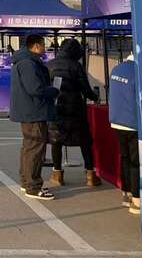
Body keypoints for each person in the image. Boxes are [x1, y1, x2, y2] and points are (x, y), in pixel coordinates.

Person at [10, 34, 60, 200]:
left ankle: (27, 182)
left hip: (30, 111)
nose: (45, 48)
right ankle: (33, 186)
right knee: (35, 149)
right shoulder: (28, 63)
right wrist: (53, 91)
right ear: (36, 46)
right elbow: (35, 88)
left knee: (30, 148)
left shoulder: (24, 61)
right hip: (34, 111)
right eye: (43, 45)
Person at [46, 38, 101, 187]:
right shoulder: (76, 66)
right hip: (75, 108)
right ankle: (90, 175)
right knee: (84, 141)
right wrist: (95, 97)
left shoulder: (49, 65)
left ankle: (57, 174)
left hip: (56, 108)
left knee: (56, 141)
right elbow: (85, 89)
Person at [109, 54, 140, 215]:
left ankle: (126, 193)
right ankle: (136, 200)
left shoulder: (116, 69)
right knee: (136, 162)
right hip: (132, 122)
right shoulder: (138, 71)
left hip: (117, 120)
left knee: (125, 158)